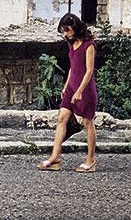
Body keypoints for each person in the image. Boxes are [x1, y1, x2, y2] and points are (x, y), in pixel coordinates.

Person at [38, 12, 98, 173]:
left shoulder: (89, 45)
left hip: (85, 90)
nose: (65, 34)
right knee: (62, 118)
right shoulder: (70, 44)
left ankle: (90, 160)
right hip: (72, 86)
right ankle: (55, 157)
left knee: (87, 123)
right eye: (63, 31)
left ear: (75, 28)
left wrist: (79, 91)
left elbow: (89, 71)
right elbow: (73, 67)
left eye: (67, 30)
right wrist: (66, 86)